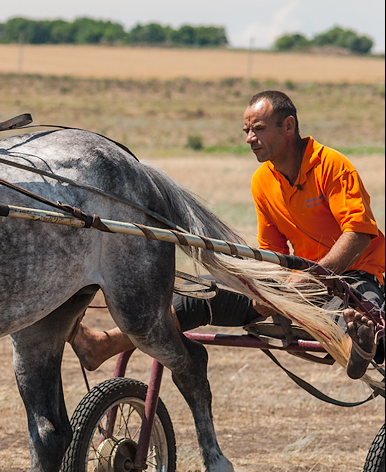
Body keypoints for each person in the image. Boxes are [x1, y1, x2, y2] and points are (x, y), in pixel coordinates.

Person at [69, 90, 384, 379]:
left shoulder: (332, 165)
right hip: (298, 281)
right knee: (201, 295)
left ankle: (357, 345)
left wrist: (316, 274)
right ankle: (103, 345)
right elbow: (272, 250)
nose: (249, 138)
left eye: (258, 128)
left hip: (353, 274)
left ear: (288, 126)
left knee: (355, 313)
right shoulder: (262, 181)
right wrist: (265, 289)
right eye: (246, 130)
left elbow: (357, 234)